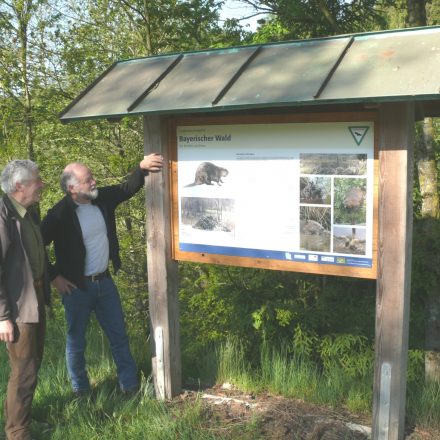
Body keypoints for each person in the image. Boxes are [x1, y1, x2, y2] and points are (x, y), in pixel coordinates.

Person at [41, 154, 163, 395]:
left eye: (93, 177)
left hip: (104, 283)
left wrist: (141, 167)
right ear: (72, 188)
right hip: (76, 289)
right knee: (76, 343)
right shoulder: (59, 215)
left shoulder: (102, 199)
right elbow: (36, 246)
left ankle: (129, 386)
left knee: (119, 335)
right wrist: (54, 276)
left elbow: (126, 188)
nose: (94, 181)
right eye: (88, 180)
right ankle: (81, 391)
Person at [0, 160, 50, 440]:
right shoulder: (3, 214)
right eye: (36, 180)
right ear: (19, 186)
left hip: (35, 301)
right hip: (18, 309)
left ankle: (23, 423)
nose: (41, 184)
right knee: (23, 372)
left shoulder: (27, 213)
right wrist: (3, 316)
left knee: (32, 366)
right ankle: (17, 433)